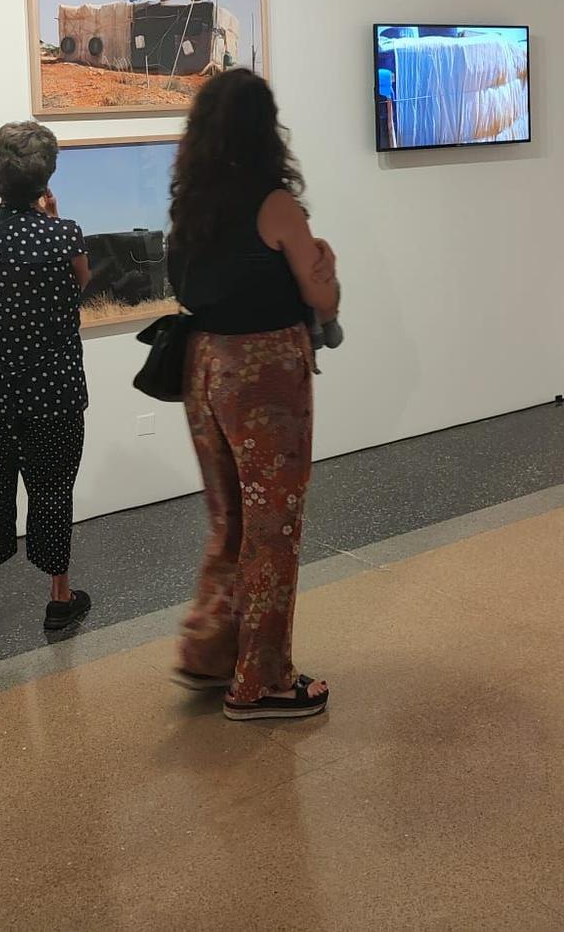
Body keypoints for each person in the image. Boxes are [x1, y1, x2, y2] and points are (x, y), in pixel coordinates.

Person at [167, 70, 337, 720]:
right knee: (273, 528)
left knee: (230, 520)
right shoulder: (275, 205)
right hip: (263, 372)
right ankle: (261, 680)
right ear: (266, 129)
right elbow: (321, 297)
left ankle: (211, 651)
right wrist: (327, 271)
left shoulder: (192, 200)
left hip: (204, 365)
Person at [0, 122, 93, 642]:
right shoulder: (65, 235)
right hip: (51, 388)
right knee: (53, 491)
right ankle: (58, 599)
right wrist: (50, 222)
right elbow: (80, 288)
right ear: (45, 179)